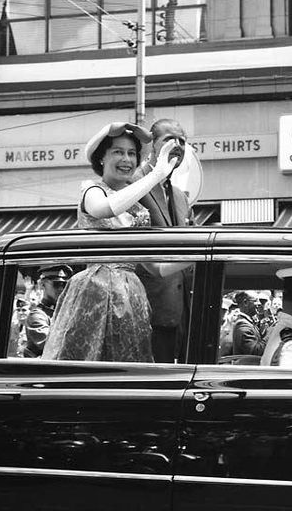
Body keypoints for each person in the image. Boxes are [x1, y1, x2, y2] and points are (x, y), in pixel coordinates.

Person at [43, 122, 184, 362]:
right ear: (101, 159)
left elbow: (156, 268)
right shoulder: (92, 191)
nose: (126, 159)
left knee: (127, 368)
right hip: (94, 291)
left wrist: (198, 257)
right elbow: (105, 208)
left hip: (131, 297)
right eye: (117, 152)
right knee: (87, 363)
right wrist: (156, 175)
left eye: (131, 153)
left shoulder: (140, 210)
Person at [131, 118, 194, 363]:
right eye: (169, 139)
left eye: (182, 141)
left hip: (183, 312)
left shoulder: (180, 196)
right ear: (152, 146)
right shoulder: (134, 184)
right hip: (148, 313)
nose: (177, 145)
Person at [23, 265, 72, 358]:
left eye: (64, 285)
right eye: (57, 284)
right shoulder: (37, 316)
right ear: (42, 284)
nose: (61, 289)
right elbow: (54, 345)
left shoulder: (65, 312)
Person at [229, 291, 266, 356]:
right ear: (245, 302)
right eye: (255, 301)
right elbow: (255, 352)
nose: (259, 303)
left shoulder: (248, 322)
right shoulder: (242, 326)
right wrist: (270, 333)